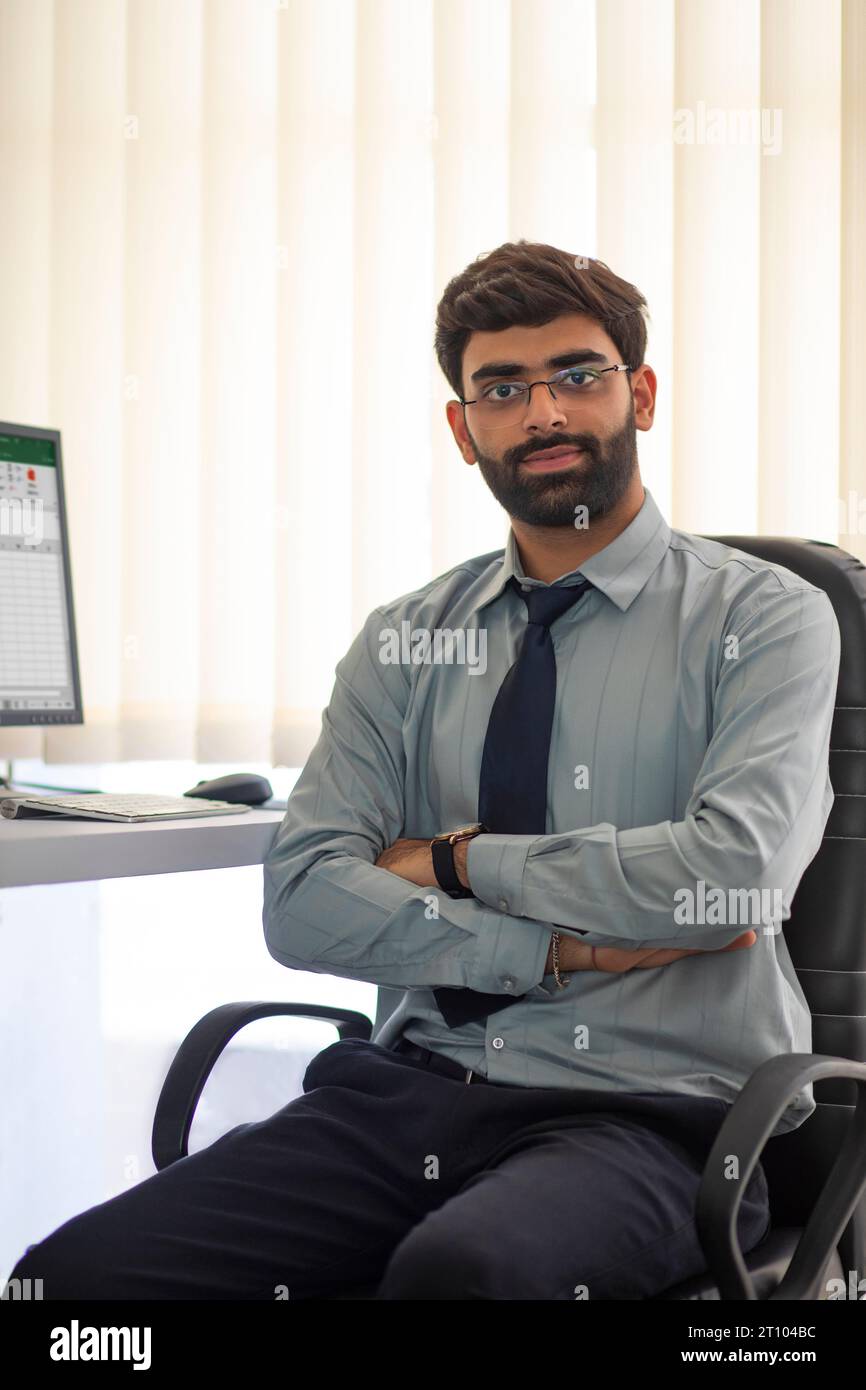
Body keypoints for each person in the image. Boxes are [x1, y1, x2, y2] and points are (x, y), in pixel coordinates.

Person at [7, 241, 839, 1300]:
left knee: (460, 1279)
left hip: (653, 1116)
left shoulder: (762, 617)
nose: (541, 412)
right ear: (462, 429)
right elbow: (302, 901)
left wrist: (450, 861)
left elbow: (736, 874)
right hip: (407, 1092)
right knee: (69, 1281)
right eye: (500, 388)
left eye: (576, 374)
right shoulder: (405, 640)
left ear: (640, 394)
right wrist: (560, 951)